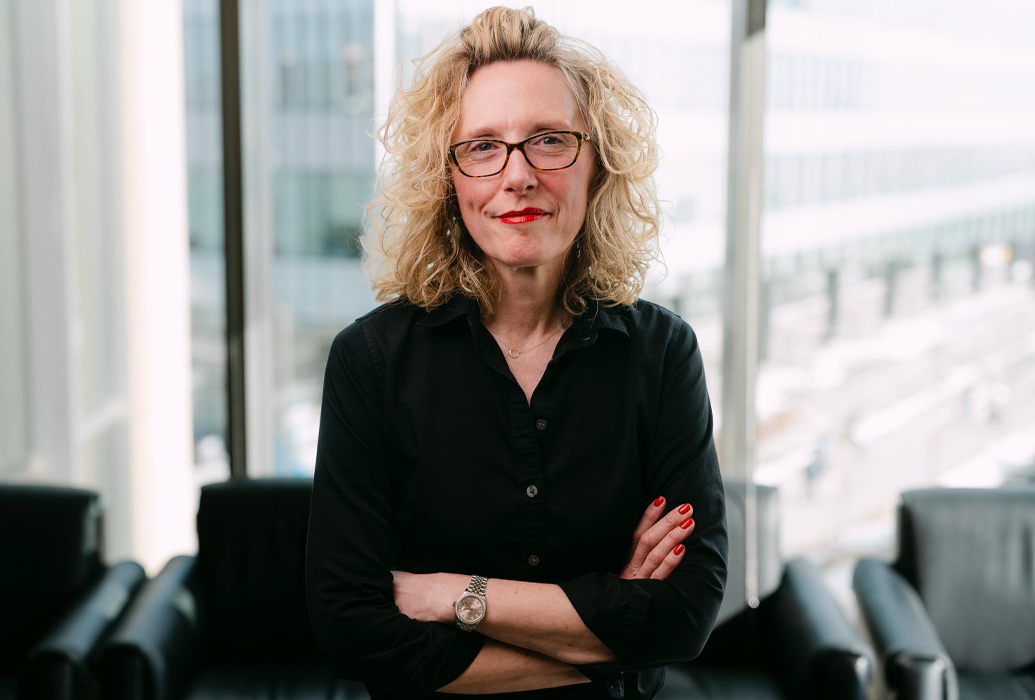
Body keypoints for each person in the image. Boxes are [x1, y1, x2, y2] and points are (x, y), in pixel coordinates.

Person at [306, 7, 727, 699]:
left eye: (549, 141)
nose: (518, 175)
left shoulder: (662, 353)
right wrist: (614, 634)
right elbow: (352, 628)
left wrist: (453, 595)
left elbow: (685, 615)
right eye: (482, 147)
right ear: (447, 179)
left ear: (598, 163)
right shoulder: (370, 360)